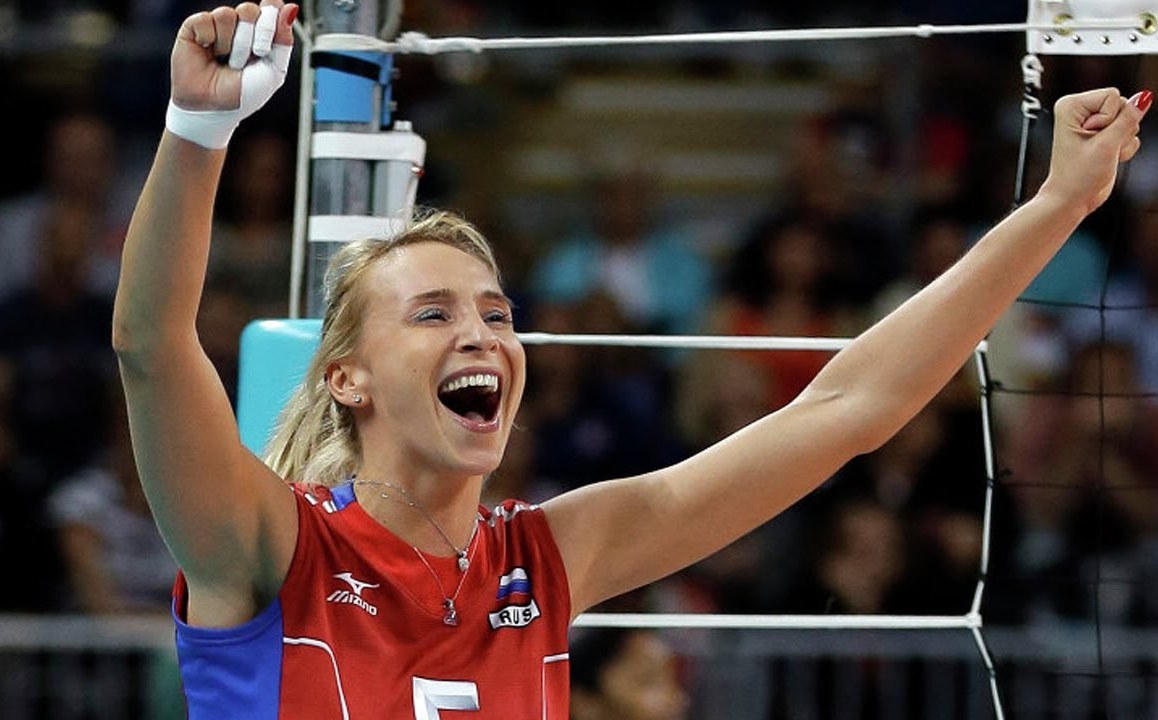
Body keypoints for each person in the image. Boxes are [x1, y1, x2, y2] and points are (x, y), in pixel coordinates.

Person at [111, 1, 1151, 716]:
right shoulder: (270, 545)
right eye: (433, 314)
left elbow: (850, 407)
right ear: (347, 377)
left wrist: (1060, 203)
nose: (482, 334)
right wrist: (199, 127)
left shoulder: (548, 558)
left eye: (497, 313)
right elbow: (151, 348)